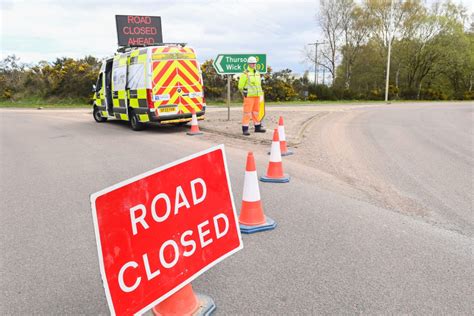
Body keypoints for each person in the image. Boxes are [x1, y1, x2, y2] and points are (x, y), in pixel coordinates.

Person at [238, 56, 266, 135]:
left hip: (257, 96)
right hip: (249, 96)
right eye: (251, 63)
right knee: (247, 113)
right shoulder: (245, 73)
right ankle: (245, 129)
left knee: (256, 112)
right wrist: (244, 93)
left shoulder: (257, 72)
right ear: (248, 64)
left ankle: (257, 127)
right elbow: (240, 86)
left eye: (254, 63)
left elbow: (258, 84)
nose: (253, 64)